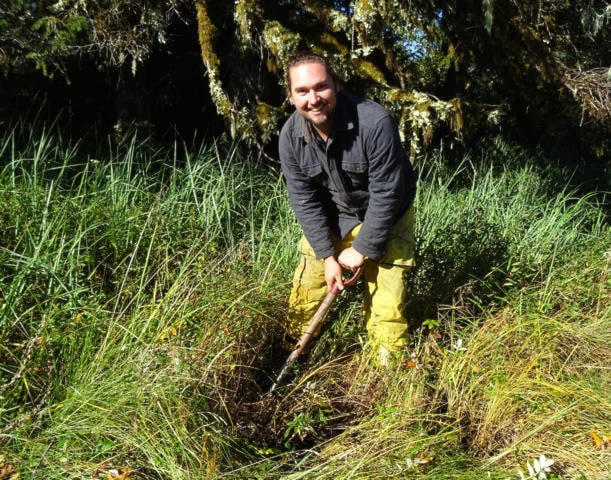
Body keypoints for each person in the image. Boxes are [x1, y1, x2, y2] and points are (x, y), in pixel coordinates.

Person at [278, 51, 417, 366]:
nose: (313, 98)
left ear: (336, 85)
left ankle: (389, 368)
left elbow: (387, 191)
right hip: (336, 214)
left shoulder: (374, 122)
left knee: (386, 298)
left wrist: (364, 248)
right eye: (302, 91)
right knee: (308, 288)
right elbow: (304, 199)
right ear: (291, 95)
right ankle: (291, 356)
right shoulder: (290, 137)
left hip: (388, 211)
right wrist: (328, 256)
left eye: (320, 87)